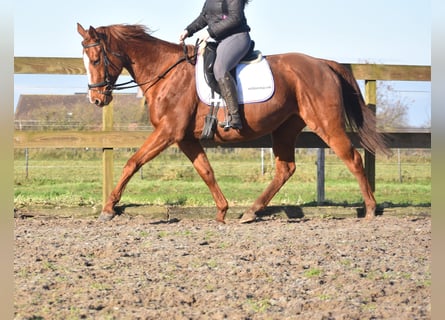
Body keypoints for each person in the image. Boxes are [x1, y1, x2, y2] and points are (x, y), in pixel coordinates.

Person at [179, 0, 252, 130]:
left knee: (220, 68)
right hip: (222, 39)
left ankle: (235, 116)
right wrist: (188, 30)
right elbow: (204, 17)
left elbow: (235, 18)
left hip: (238, 37)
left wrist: (209, 32)